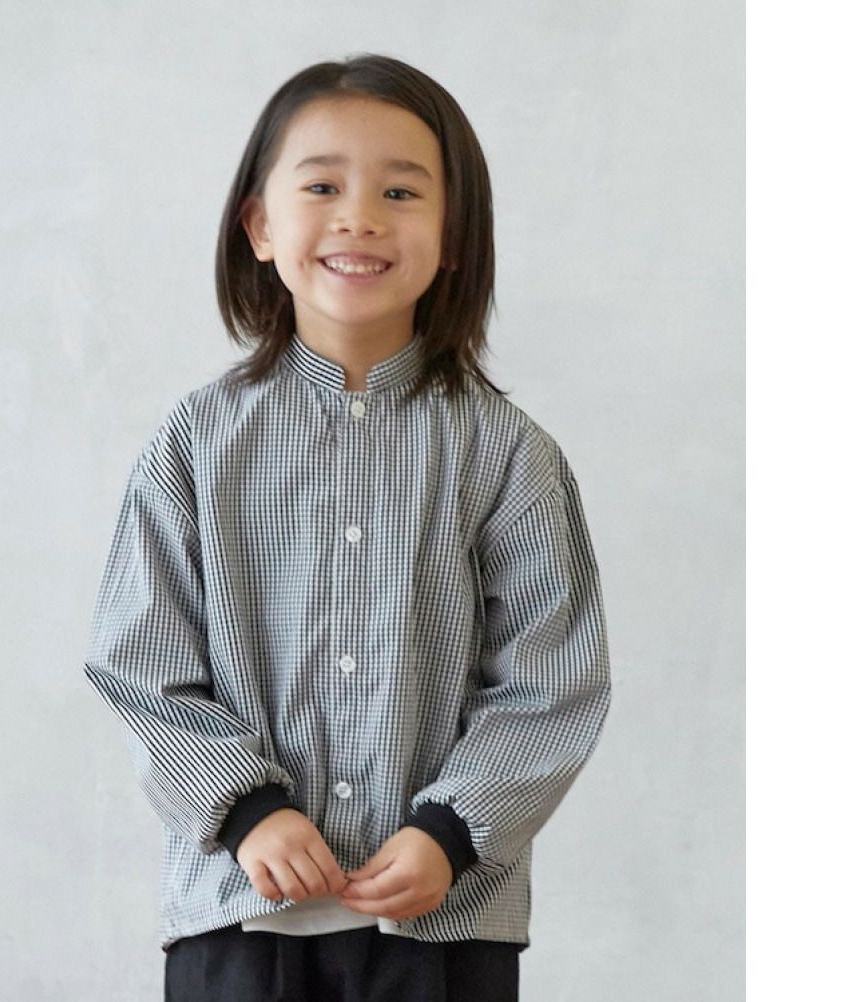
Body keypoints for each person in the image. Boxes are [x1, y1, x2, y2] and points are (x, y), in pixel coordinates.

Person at [84, 53, 611, 1002]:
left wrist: (452, 831)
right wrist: (245, 810)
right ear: (260, 225)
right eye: (322, 185)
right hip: (240, 917)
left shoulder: (508, 454)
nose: (359, 217)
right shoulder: (195, 445)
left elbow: (554, 679)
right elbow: (139, 662)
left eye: (400, 191)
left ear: (454, 235)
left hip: (442, 925)